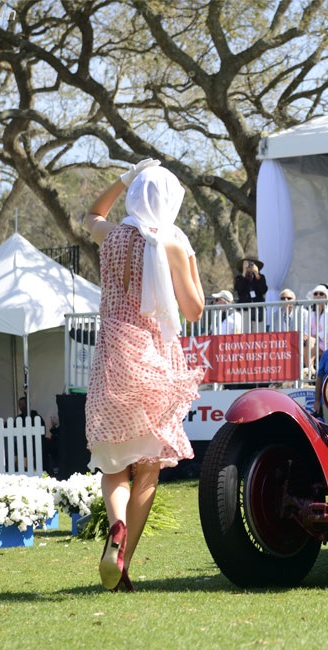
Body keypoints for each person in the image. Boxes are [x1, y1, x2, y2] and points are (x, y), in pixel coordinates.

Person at [83, 158, 206, 592]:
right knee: (148, 468)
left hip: (114, 351)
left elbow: (91, 216)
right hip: (153, 353)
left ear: (137, 195)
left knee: (114, 465)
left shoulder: (114, 236)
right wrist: (188, 261)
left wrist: (122, 178)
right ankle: (125, 562)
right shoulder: (171, 241)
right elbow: (194, 310)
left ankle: (114, 529)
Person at [233, 257, 267, 332]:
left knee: (258, 333)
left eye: (251, 264)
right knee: (244, 332)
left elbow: (263, 290)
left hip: (258, 308)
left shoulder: (260, 277)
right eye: (247, 264)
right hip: (244, 309)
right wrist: (244, 272)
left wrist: (256, 274)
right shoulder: (239, 278)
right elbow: (238, 288)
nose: (249, 266)